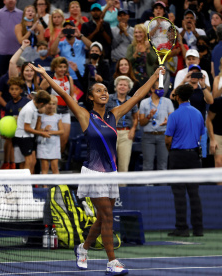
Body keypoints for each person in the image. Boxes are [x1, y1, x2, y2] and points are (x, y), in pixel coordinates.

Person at [29, 63, 165, 275]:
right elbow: (64, 94)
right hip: (93, 173)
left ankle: (83, 249)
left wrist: (155, 75)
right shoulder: (85, 115)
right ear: (91, 97)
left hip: (111, 173)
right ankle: (112, 262)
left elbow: (137, 96)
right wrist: (45, 74)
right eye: (98, 90)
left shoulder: (114, 115)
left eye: (105, 90)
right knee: (108, 217)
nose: (103, 92)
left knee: (103, 217)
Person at [165, 83, 205, 237]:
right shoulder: (198, 113)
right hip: (194, 156)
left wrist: (173, 152)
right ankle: (198, 229)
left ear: (178, 97)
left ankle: (182, 228)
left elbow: (168, 140)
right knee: (194, 193)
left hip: (178, 156)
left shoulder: (174, 115)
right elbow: (200, 136)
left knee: (179, 194)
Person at [40, 57, 74, 153]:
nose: (62, 69)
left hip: (66, 111)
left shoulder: (69, 78)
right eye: (60, 67)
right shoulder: (49, 78)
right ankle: (48, 159)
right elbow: (39, 93)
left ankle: (58, 159)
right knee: (50, 138)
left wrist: (74, 100)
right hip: (52, 111)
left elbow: (71, 95)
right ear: (54, 67)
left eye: (64, 67)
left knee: (64, 139)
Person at [106, 76, 139, 173]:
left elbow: (135, 117)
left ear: (129, 88)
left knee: (124, 165)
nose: (122, 87)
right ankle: (107, 187)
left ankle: (122, 188)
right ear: (116, 87)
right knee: (108, 163)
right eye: (120, 84)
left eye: (125, 85)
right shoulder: (108, 99)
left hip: (126, 133)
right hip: (111, 133)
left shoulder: (131, 100)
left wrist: (133, 129)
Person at [139, 79, 174, 171]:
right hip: (148, 136)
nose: (161, 90)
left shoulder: (168, 102)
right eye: (159, 88)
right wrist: (149, 116)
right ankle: (147, 185)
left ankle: (163, 185)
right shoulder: (144, 103)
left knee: (163, 164)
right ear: (152, 89)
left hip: (163, 135)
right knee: (147, 164)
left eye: (162, 88)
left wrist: (168, 122)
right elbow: (141, 123)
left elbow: (173, 120)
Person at [13, 90, 51, 172]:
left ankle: (30, 183)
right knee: (29, 161)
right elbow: (26, 128)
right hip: (23, 137)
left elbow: (32, 128)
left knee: (33, 161)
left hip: (29, 136)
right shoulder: (29, 109)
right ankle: (25, 184)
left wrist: (42, 130)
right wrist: (41, 133)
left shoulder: (34, 107)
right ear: (41, 104)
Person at [0, 0, 23, 78]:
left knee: (17, 76)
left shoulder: (21, 14)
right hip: (1, 52)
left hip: (17, 52)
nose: (11, 0)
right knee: (0, 76)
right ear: (4, 1)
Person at [0, 76, 29, 169]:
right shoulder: (8, 105)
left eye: (16, 89)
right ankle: (9, 164)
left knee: (27, 161)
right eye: (12, 89)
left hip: (26, 136)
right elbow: (6, 121)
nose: (14, 91)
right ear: (8, 90)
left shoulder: (26, 102)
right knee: (19, 161)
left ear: (21, 90)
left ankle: (30, 181)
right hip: (15, 136)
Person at [35, 95, 63, 174]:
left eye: (53, 104)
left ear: (56, 105)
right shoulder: (40, 117)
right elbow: (37, 130)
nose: (51, 106)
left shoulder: (58, 117)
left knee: (55, 167)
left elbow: (61, 131)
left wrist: (50, 132)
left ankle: (58, 185)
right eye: (49, 103)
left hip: (54, 145)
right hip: (43, 145)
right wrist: (44, 130)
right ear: (44, 104)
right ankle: (44, 186)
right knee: (44, 168)